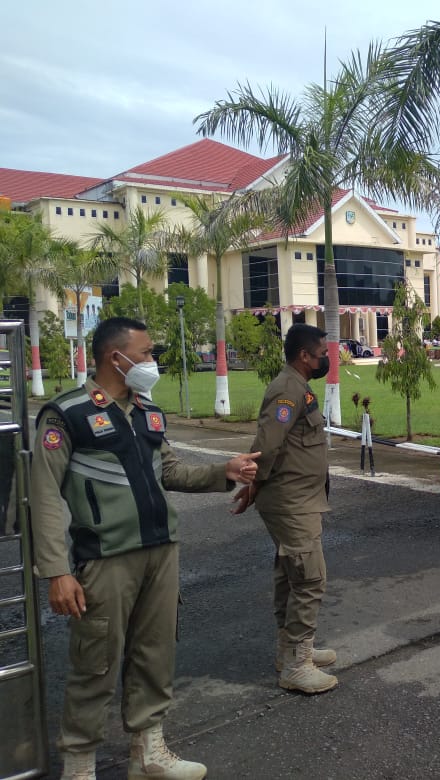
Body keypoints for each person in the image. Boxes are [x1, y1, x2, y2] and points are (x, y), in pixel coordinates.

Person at [29, 317, 260, 780]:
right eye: (148, 351)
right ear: (116, 357)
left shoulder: (147, 410)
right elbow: (44, 495)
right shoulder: (66, 414)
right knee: (94, 665)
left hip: (160, 550)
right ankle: (79, 766)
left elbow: (168, 471)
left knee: (155, 656)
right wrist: (57, 570)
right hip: (105, 559)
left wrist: (224, 471)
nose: (152, 360)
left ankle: (148, 752)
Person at [233, 323, 339, 695]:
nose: (327, 358)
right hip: (291, 502)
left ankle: (291, 650)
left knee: (290, 575)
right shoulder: (287, 389)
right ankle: (297, 664)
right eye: (322, 353)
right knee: (310, 578)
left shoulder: (298, 386)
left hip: (300, 499)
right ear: (304, 356)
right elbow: (267, 447)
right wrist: (252, 487)